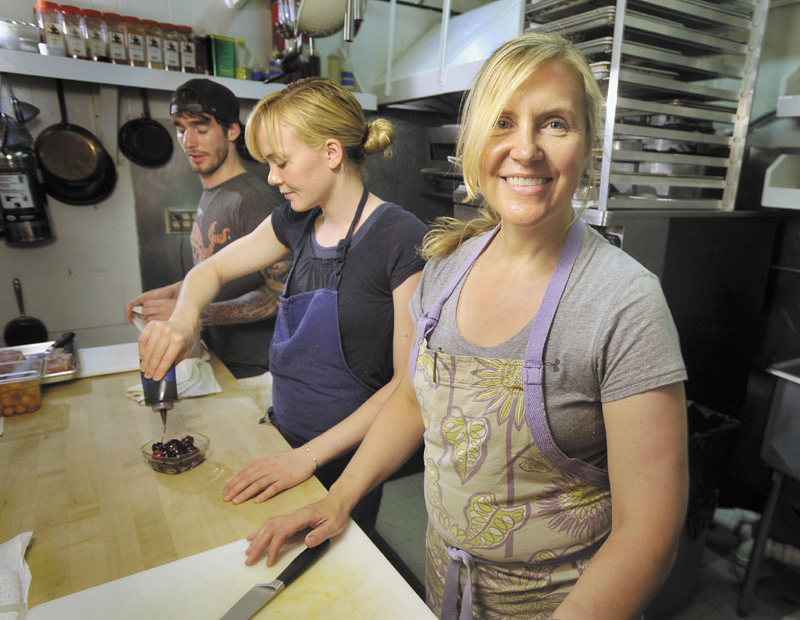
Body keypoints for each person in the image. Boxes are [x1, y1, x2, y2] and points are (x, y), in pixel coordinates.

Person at [241, 33, 690, 620]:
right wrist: (340, 497)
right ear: (475, 142)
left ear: (588, 146)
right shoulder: (448, 267)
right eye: (502, 122)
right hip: (443, 585)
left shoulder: (623, 303)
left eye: (555, 123)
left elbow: (648, 535)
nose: (525, 150)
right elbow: (411, 397)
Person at [138, 77, 428, 532]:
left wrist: (307, 458)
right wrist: (182, 319)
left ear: (331, 153)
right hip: (284, 436)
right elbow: (208, 271)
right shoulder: (296, 220)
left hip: (348, 458)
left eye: (281, 162)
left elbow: (404, 388)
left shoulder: (399, 237)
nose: (272, 178)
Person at [126, 78, 289, 405]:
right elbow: (218, 265)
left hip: (258, 372)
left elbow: (281, 293)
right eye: (181, 129)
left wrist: (193, 313)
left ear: (231, 131)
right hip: (223, 360)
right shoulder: (214, 194)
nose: (189, 141)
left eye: (201, 129)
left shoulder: (252, 200)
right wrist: (179, 290)